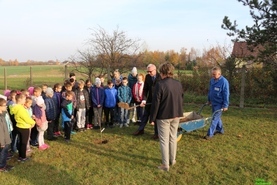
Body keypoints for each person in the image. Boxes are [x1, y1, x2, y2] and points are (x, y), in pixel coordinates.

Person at [149, 62, 183, 172]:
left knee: (164, 140)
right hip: (176, 114)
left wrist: (152, 118)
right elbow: (181, 98)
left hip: (164, 116)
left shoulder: (160, 84)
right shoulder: (178, 84)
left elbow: (156, 103)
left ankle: (165, 165)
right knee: (173, 138)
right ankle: (172, 160)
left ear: (162, 72)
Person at [133, 64, 161, 139]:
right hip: (149, 99)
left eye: (150, 71)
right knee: (145, 114)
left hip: (158, 100)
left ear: (155, 70)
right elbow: (145, 89)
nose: (148, 73)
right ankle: (140, 129)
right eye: (147, 71)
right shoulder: (148, 77)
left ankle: (157, 133)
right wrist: (144, 99)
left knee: (156, 116)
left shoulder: (160, 77)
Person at [204, 66, 229, 140]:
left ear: (219, 74)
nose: (213, 76)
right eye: (212, 74)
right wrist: (209, 100)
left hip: (220, 104)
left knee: (214, 119)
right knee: (217, 117)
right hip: (213, 102)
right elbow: (210, 91)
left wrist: (225, 105)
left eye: (214, 74)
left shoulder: (224, 82)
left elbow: (226, 94)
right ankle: (220, 130)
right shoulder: (212, 80)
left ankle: (210, 134)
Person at [10, 94, 36, 162]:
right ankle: (23, 157)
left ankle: (20, 156)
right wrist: (33, 122)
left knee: (21, 142)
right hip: (24, 127)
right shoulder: (21, 109)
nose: (25, 101)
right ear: (20, 99)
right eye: (24, 99)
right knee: (24, 143)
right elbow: (26, 118)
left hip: (19, 126)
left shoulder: (15, 107)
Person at [0, 98, 14, 172]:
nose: (6, 107)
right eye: (4, 105)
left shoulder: (2, 114)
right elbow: (0, 132)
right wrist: (2, 143)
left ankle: (4, 164)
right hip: (2, 140)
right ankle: (1, 166)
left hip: (6, 138)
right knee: (2, 153)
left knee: (5, 153)